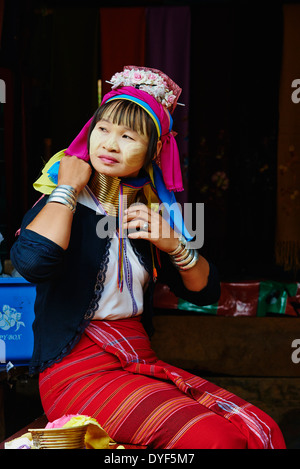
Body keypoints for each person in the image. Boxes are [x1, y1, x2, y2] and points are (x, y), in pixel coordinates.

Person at [10, 66, 285, 449]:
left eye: (128, 136)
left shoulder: (153, 213)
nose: (109, 144)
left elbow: (206, 293)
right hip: (74, 370)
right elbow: (33, 263)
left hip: (135, 361)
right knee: (215, 439)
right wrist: (68, 187)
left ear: (155, 149)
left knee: (258, 428)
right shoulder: (63, 203)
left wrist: (175, 245)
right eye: (103, 129)